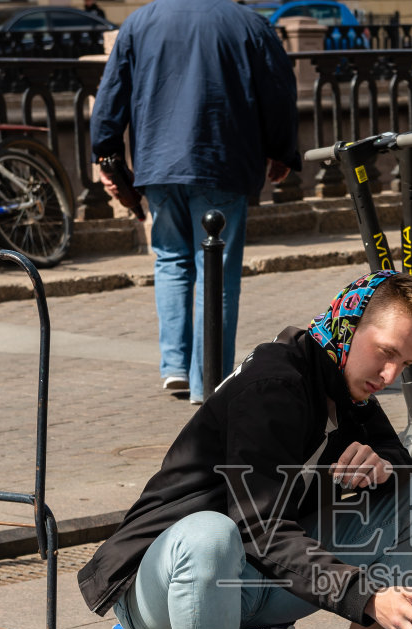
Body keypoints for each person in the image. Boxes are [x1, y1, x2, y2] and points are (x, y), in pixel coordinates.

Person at [78, 272, 412, 629]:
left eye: (405, 364)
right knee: (210, 531)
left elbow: (396, 457)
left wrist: (383, 463)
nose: (389, 375)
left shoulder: (346, 382)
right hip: (165, 587)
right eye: (385, 352)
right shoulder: (275, 384)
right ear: (348, 326)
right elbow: (259, 528)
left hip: (259, 580)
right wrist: (368, 597)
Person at [89, 0, 300, 404]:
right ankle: (209, 379)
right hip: (222, 159)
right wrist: (281, 151)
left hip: (158, 162)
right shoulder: (249, 24)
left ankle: (174, 368)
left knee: (170, 260)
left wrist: (106, 153)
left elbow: (111, 92)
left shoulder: (140, 21)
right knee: (216, 272)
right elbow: (277, 91)